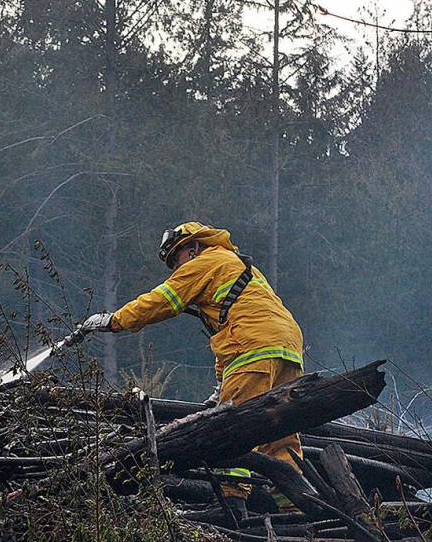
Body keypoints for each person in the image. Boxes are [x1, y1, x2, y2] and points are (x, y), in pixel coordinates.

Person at [78, 221, 305, 516]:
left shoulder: (204, 262)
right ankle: (294, 506)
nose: (177, 267)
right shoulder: (234, 264)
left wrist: (114, 320)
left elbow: (161, 300)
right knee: (281, 428)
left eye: (177, 258)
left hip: (254, 345)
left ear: (193, 247)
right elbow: (229, 327)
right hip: (288, 347)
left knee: (237, 425)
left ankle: (232, 501)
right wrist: (222, 385)